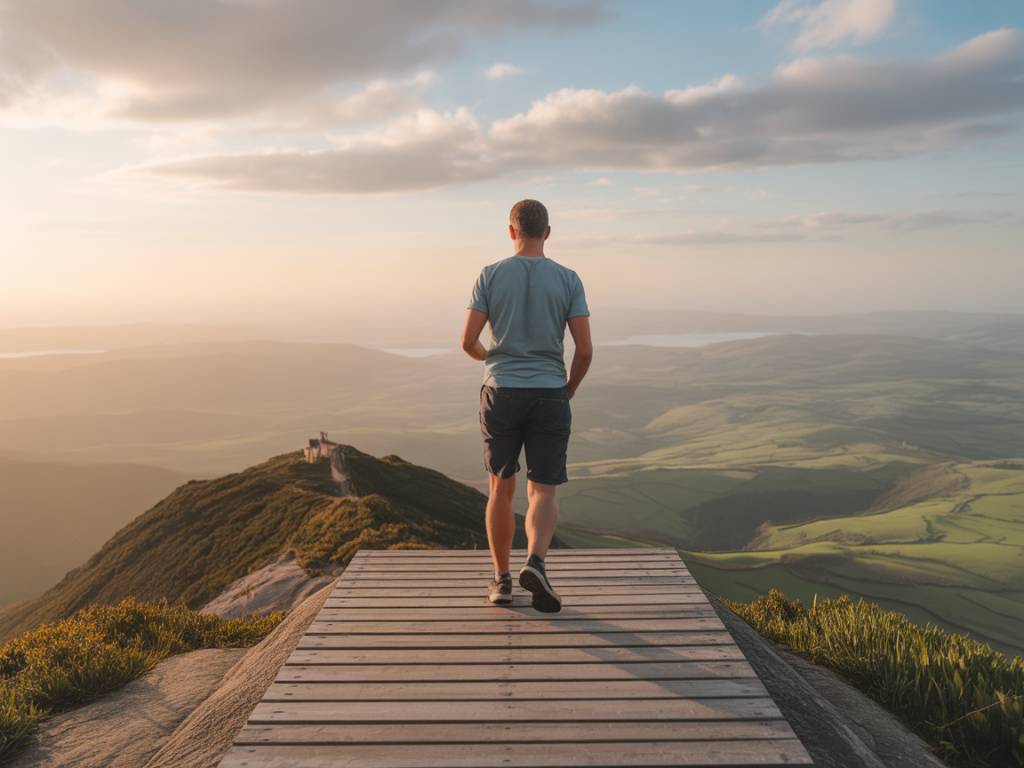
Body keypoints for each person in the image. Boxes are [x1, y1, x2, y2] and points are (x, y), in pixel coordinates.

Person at [460, 199, 593, 612]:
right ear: (548, 232)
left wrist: (493, 360)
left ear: (511, 230)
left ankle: (501, 580)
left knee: (501, 488)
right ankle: (535, 562)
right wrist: (567, 388)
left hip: (501, 392)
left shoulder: (490, 275)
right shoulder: (568, 279)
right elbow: (585, 350)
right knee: (543, 490)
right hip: (549, 391)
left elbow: (468, 341)